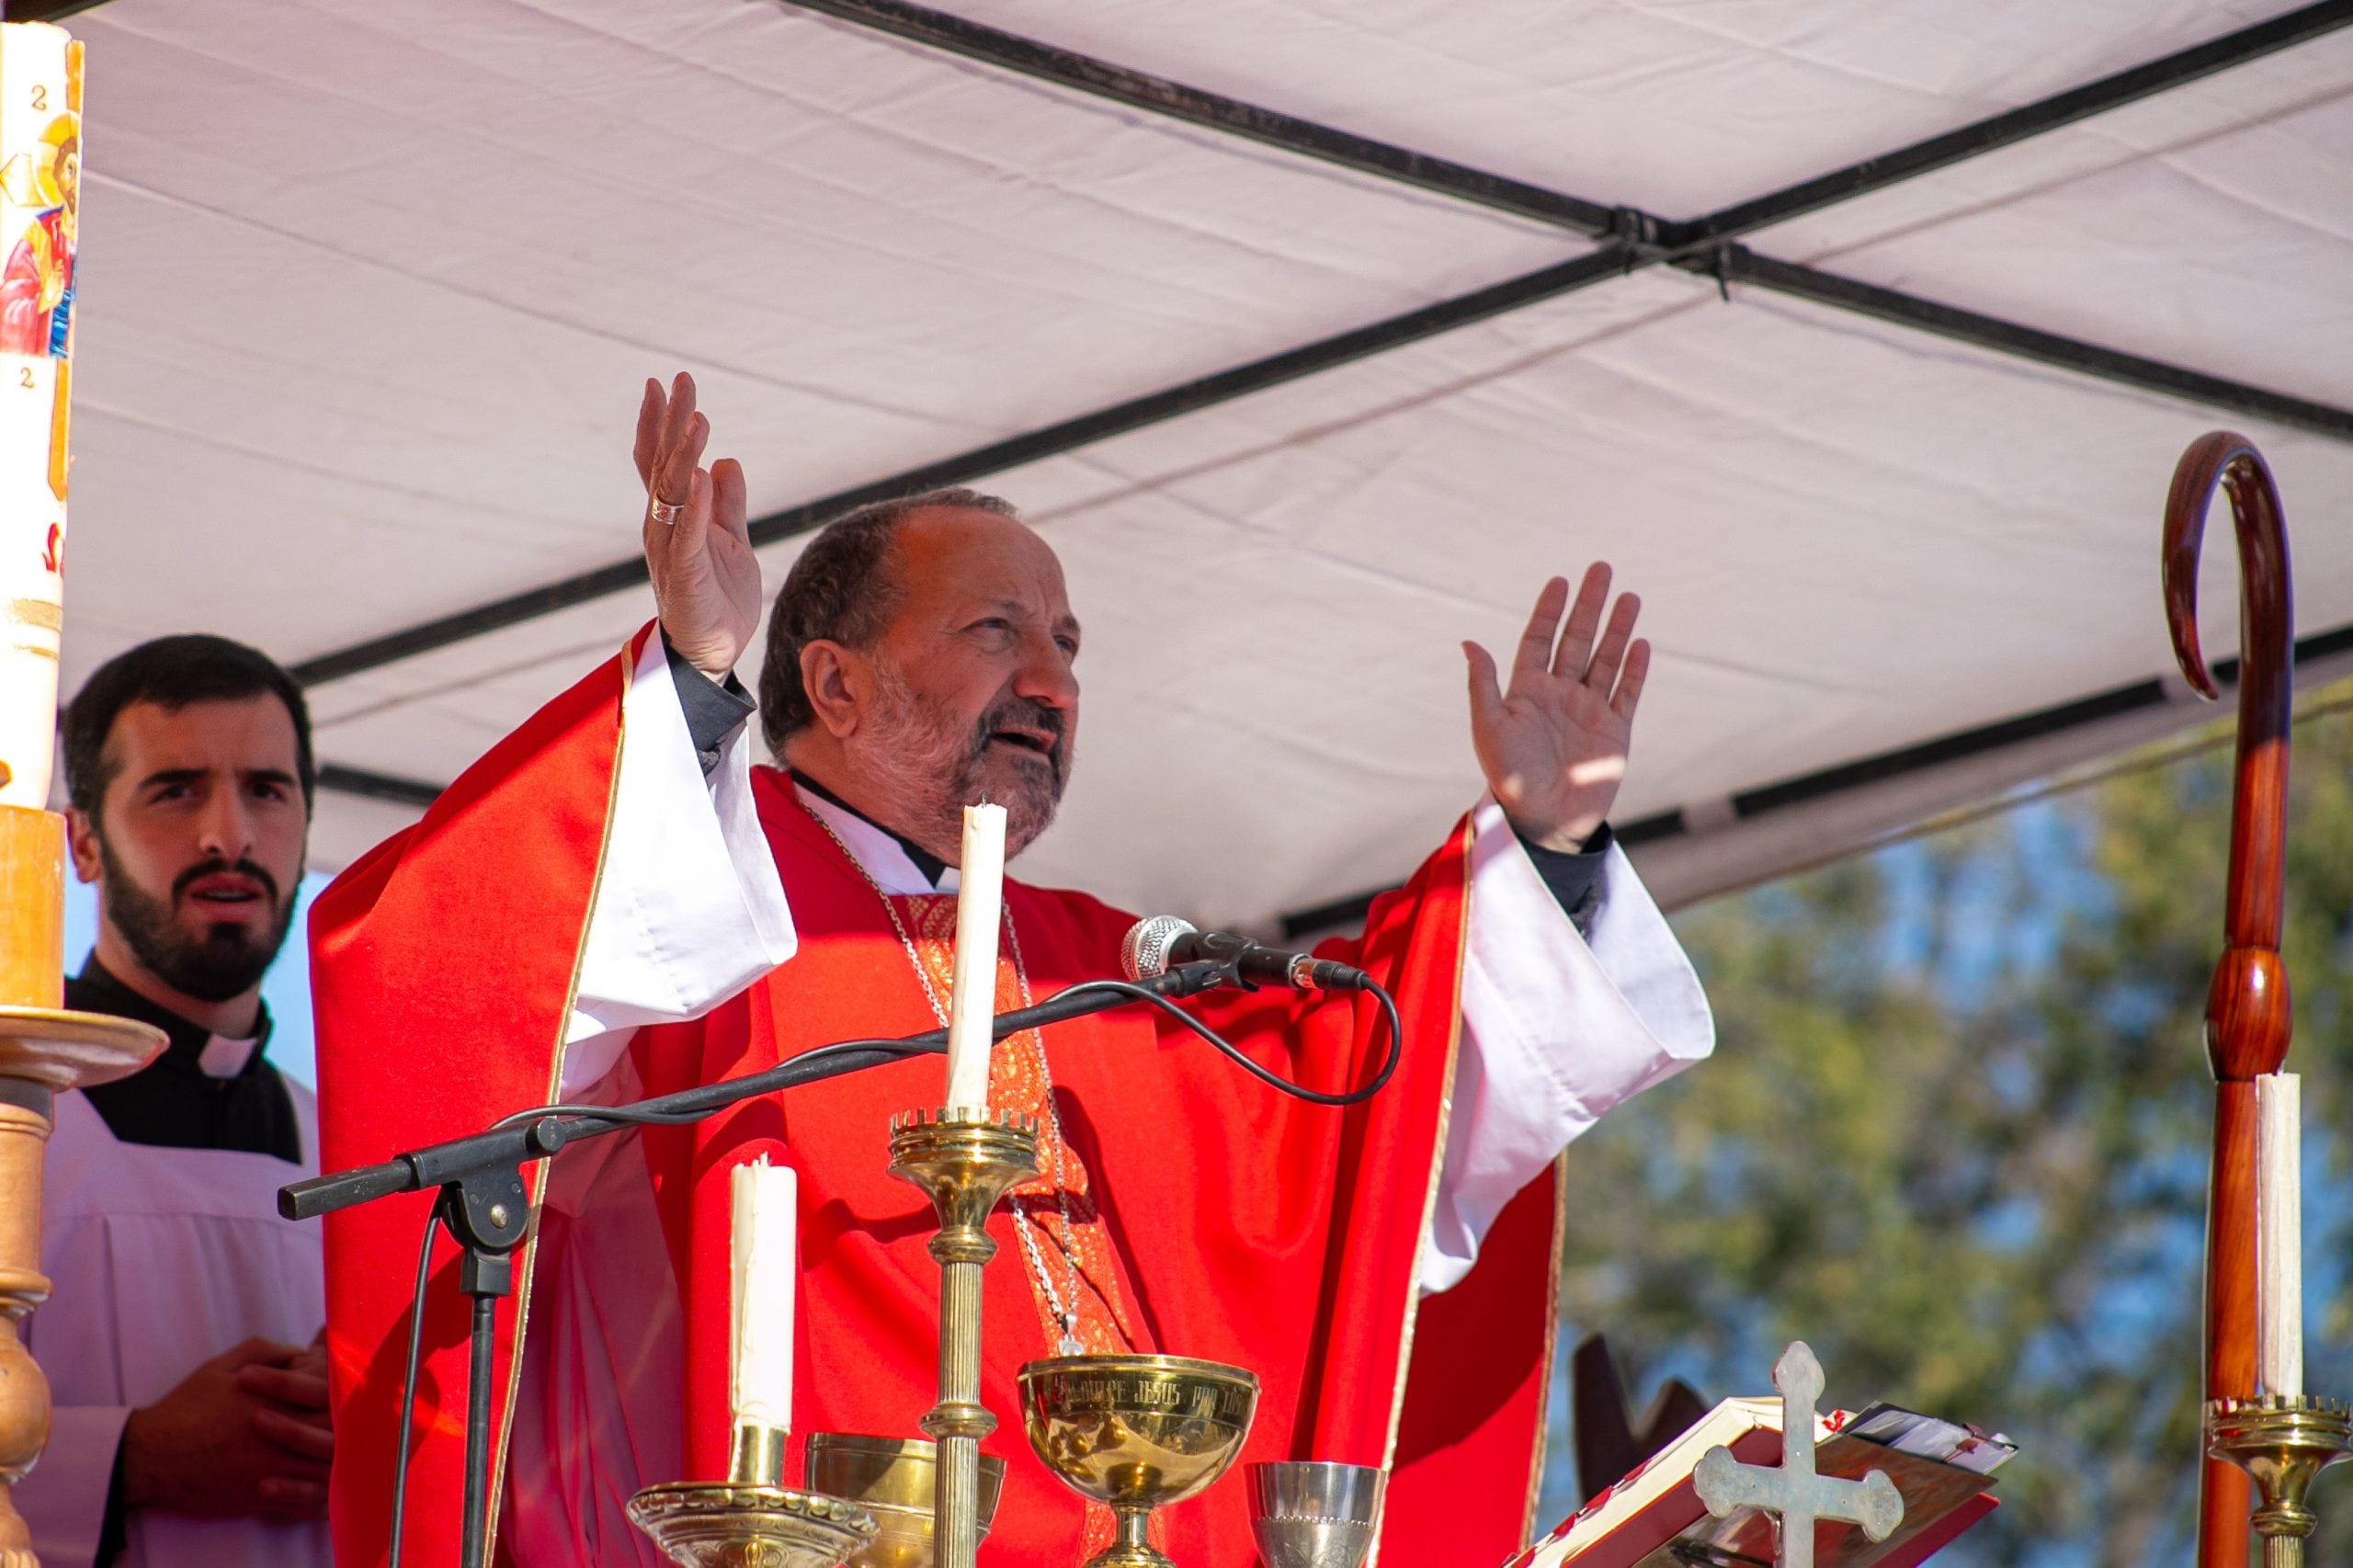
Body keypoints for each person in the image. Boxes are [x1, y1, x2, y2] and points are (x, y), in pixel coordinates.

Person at [313, 374, 1714, 1568]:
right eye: (998, 632)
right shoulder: (700, 919)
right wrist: (690, 678)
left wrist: (1552, 848)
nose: (1051, 678)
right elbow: (465, 966)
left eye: (1068, 645)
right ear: (838, 683)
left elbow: (1371, 1124)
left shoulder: (1111, 965)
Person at [22, 636, 333, 1568]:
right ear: (81, 841)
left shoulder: (363, 1147)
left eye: (266, 790)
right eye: (175, 789)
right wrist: (132, 1457)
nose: (227, 835)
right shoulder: (13, 1121)